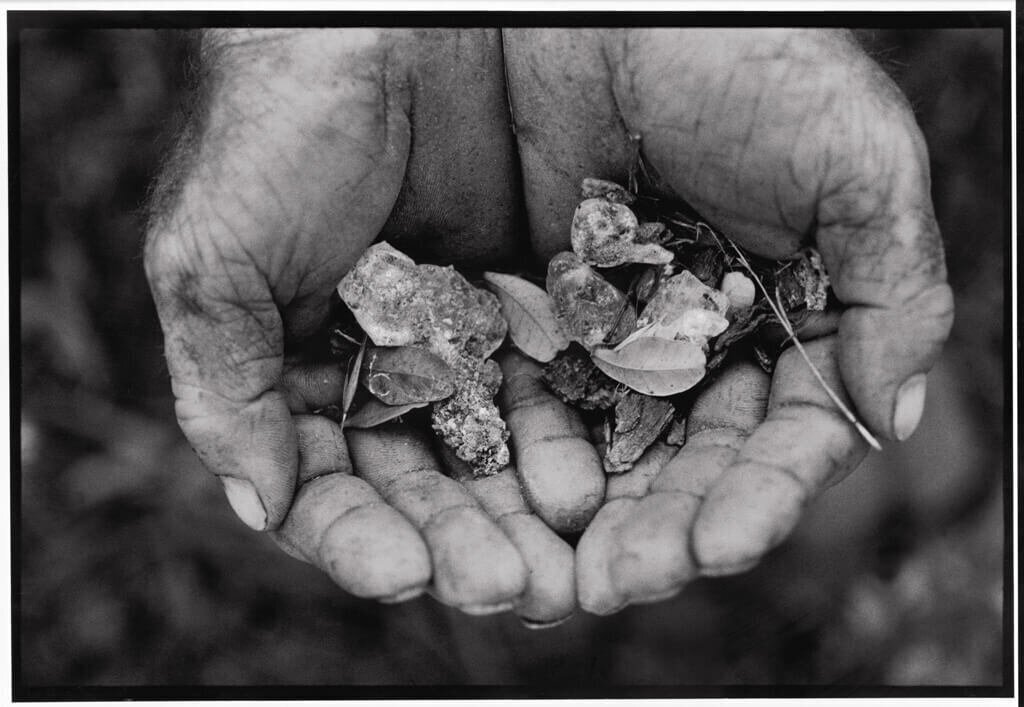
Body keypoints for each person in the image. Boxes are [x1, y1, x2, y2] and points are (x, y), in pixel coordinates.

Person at [143, 28, 954, 627]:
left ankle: (941, 521)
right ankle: (841, 569)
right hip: (567, 314)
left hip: (731, 237)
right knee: (813, 388)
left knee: (833, 315)